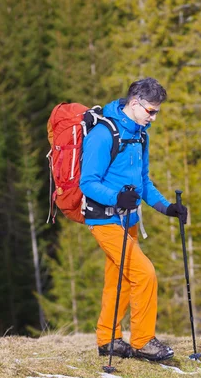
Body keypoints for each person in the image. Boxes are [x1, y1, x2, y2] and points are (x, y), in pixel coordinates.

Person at [80, 78, 188, 362]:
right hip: (103, 220)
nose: (153, 117)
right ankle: (142, 341)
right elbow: (87, 182)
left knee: (121, 280)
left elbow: (143, 182)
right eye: (150, 111)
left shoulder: (140, 135)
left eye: (157, 112)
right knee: (144, 274)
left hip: (129, 221)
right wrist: (116, 197)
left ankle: (108, 340)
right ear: (135, 103)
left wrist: (166, 208)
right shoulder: (103, 134)